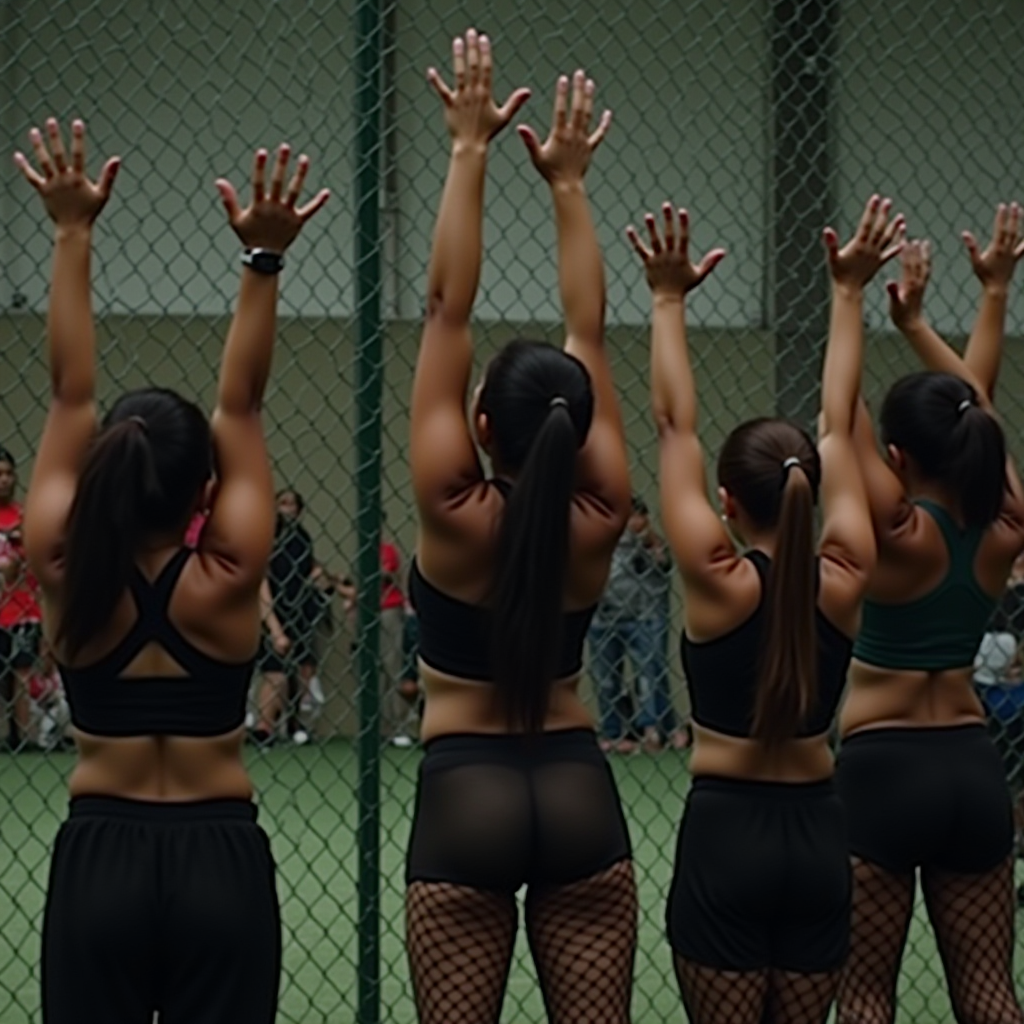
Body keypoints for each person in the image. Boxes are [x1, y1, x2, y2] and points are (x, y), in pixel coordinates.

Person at [16, 117, 328, 1023]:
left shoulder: (63, 563)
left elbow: (70, 391)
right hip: (218, 856)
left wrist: (72, 234)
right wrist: (262, 259)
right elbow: (244, 401)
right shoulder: (229, 571)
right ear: (204, 488)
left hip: (99, 856)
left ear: (101, 473)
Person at [404, 32, 635, 1024]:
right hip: (579, 784)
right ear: (577, 432)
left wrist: (468, 149)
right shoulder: (602, 511)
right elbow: (588, 334)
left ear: (482, 426)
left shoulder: (452, 506)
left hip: (467, 791)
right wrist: (570, 187)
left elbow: (446, 311)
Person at [631, 196, 900, 1022]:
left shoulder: (718, 577)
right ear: (813, 489)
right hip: (821, 837)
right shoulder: (847, 571)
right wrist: (847, 294)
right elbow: (836, 423)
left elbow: (676, 426)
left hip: (726, 836)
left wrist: (668, 301)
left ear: (725, 500)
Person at [835, 207, 1024, 1024]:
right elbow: (975, 408)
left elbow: (840, 420)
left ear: (898, 461)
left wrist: (850, 295)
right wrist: (989, 297)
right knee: (989, 994)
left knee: (867, 994)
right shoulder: (1004, 529)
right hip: (973, 768)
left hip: (882, 768)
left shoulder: (897, 533)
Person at [589, 494, 688, 753]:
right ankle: (614, 733)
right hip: (605, 616)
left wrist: (648, 538)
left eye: (634, 514)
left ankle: (654, 730)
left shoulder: (648, 541)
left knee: (651, 673)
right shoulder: (600, 540)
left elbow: (664, 564)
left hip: (646, 615)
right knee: (607, 678)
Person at [253, 487, 335, 746]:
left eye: (291, 503)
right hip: (272, 613)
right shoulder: (267, 535)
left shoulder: (301, 537)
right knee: (274, 671)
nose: (287, 508)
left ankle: (293, 724)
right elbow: (261, 582)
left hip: (298, 612)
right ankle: (263, 729)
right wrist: (274, 628)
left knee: (301, 669)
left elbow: (310, 568)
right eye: (282, 503)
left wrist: (330, 582)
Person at [0, 446, 43, 750]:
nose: (4, 480)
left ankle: (25, 738)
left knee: (22, 670)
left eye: (8, 473)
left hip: (22, 611)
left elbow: (35, 564)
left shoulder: (25, 518)